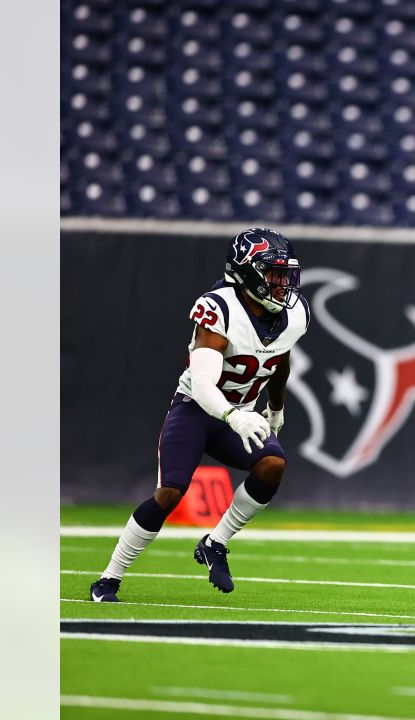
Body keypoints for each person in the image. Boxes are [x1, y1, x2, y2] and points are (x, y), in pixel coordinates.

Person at [88, 227, 311, 602]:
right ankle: (109, 578)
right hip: (197, 409)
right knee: (170, 493)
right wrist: (235, 415)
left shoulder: (294, 315)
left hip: (240, 414)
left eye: (283, 274)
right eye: (272, 274)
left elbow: (280, 360)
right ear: (246, 273)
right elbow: (204, 382)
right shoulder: (220, 308)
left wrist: (276, 408)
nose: (281, 283)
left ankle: (215, 542)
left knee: (273, 464)